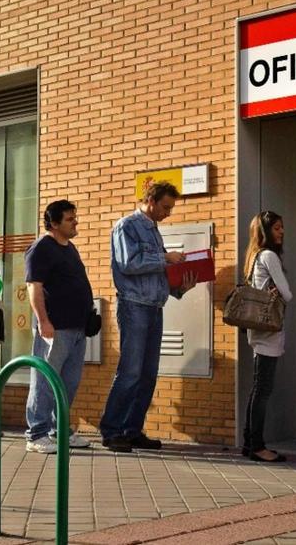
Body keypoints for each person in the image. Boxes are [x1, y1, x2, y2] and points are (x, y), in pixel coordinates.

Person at [99, 181, 196, 453]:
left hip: (155, 306)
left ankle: (132, 430)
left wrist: (179, 288)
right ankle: (111, 431)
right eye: (165, 207)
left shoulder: (154, 230)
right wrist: (166, 258)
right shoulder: (126, 226)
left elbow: (155, 272)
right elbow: (128, 264)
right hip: (133, 306)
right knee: (129, 372)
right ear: (151, 201)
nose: (168, 213)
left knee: (148, 374)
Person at [22, 200, 94, 454]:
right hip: (54, 328)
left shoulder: (70, 248)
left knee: (68, 382)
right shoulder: (41, 248)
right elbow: (34, 286)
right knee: (44, 381)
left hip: (76, 329)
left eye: (75, 217)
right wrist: (43, 321)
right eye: (70, 219)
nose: (75, 222)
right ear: (53, 223)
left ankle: (59, 430)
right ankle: (36, 434)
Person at [241, 211, 293, 463]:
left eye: (282, 227)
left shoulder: (253, 255)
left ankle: (249, 441)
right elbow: (287, 293)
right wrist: (281, 290)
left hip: (257, 329)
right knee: (262, 390)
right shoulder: (269, 255)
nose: (282, 232)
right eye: (276, 228)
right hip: (268, 331)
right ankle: (257, 446)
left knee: (258, 389)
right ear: (265, 231)